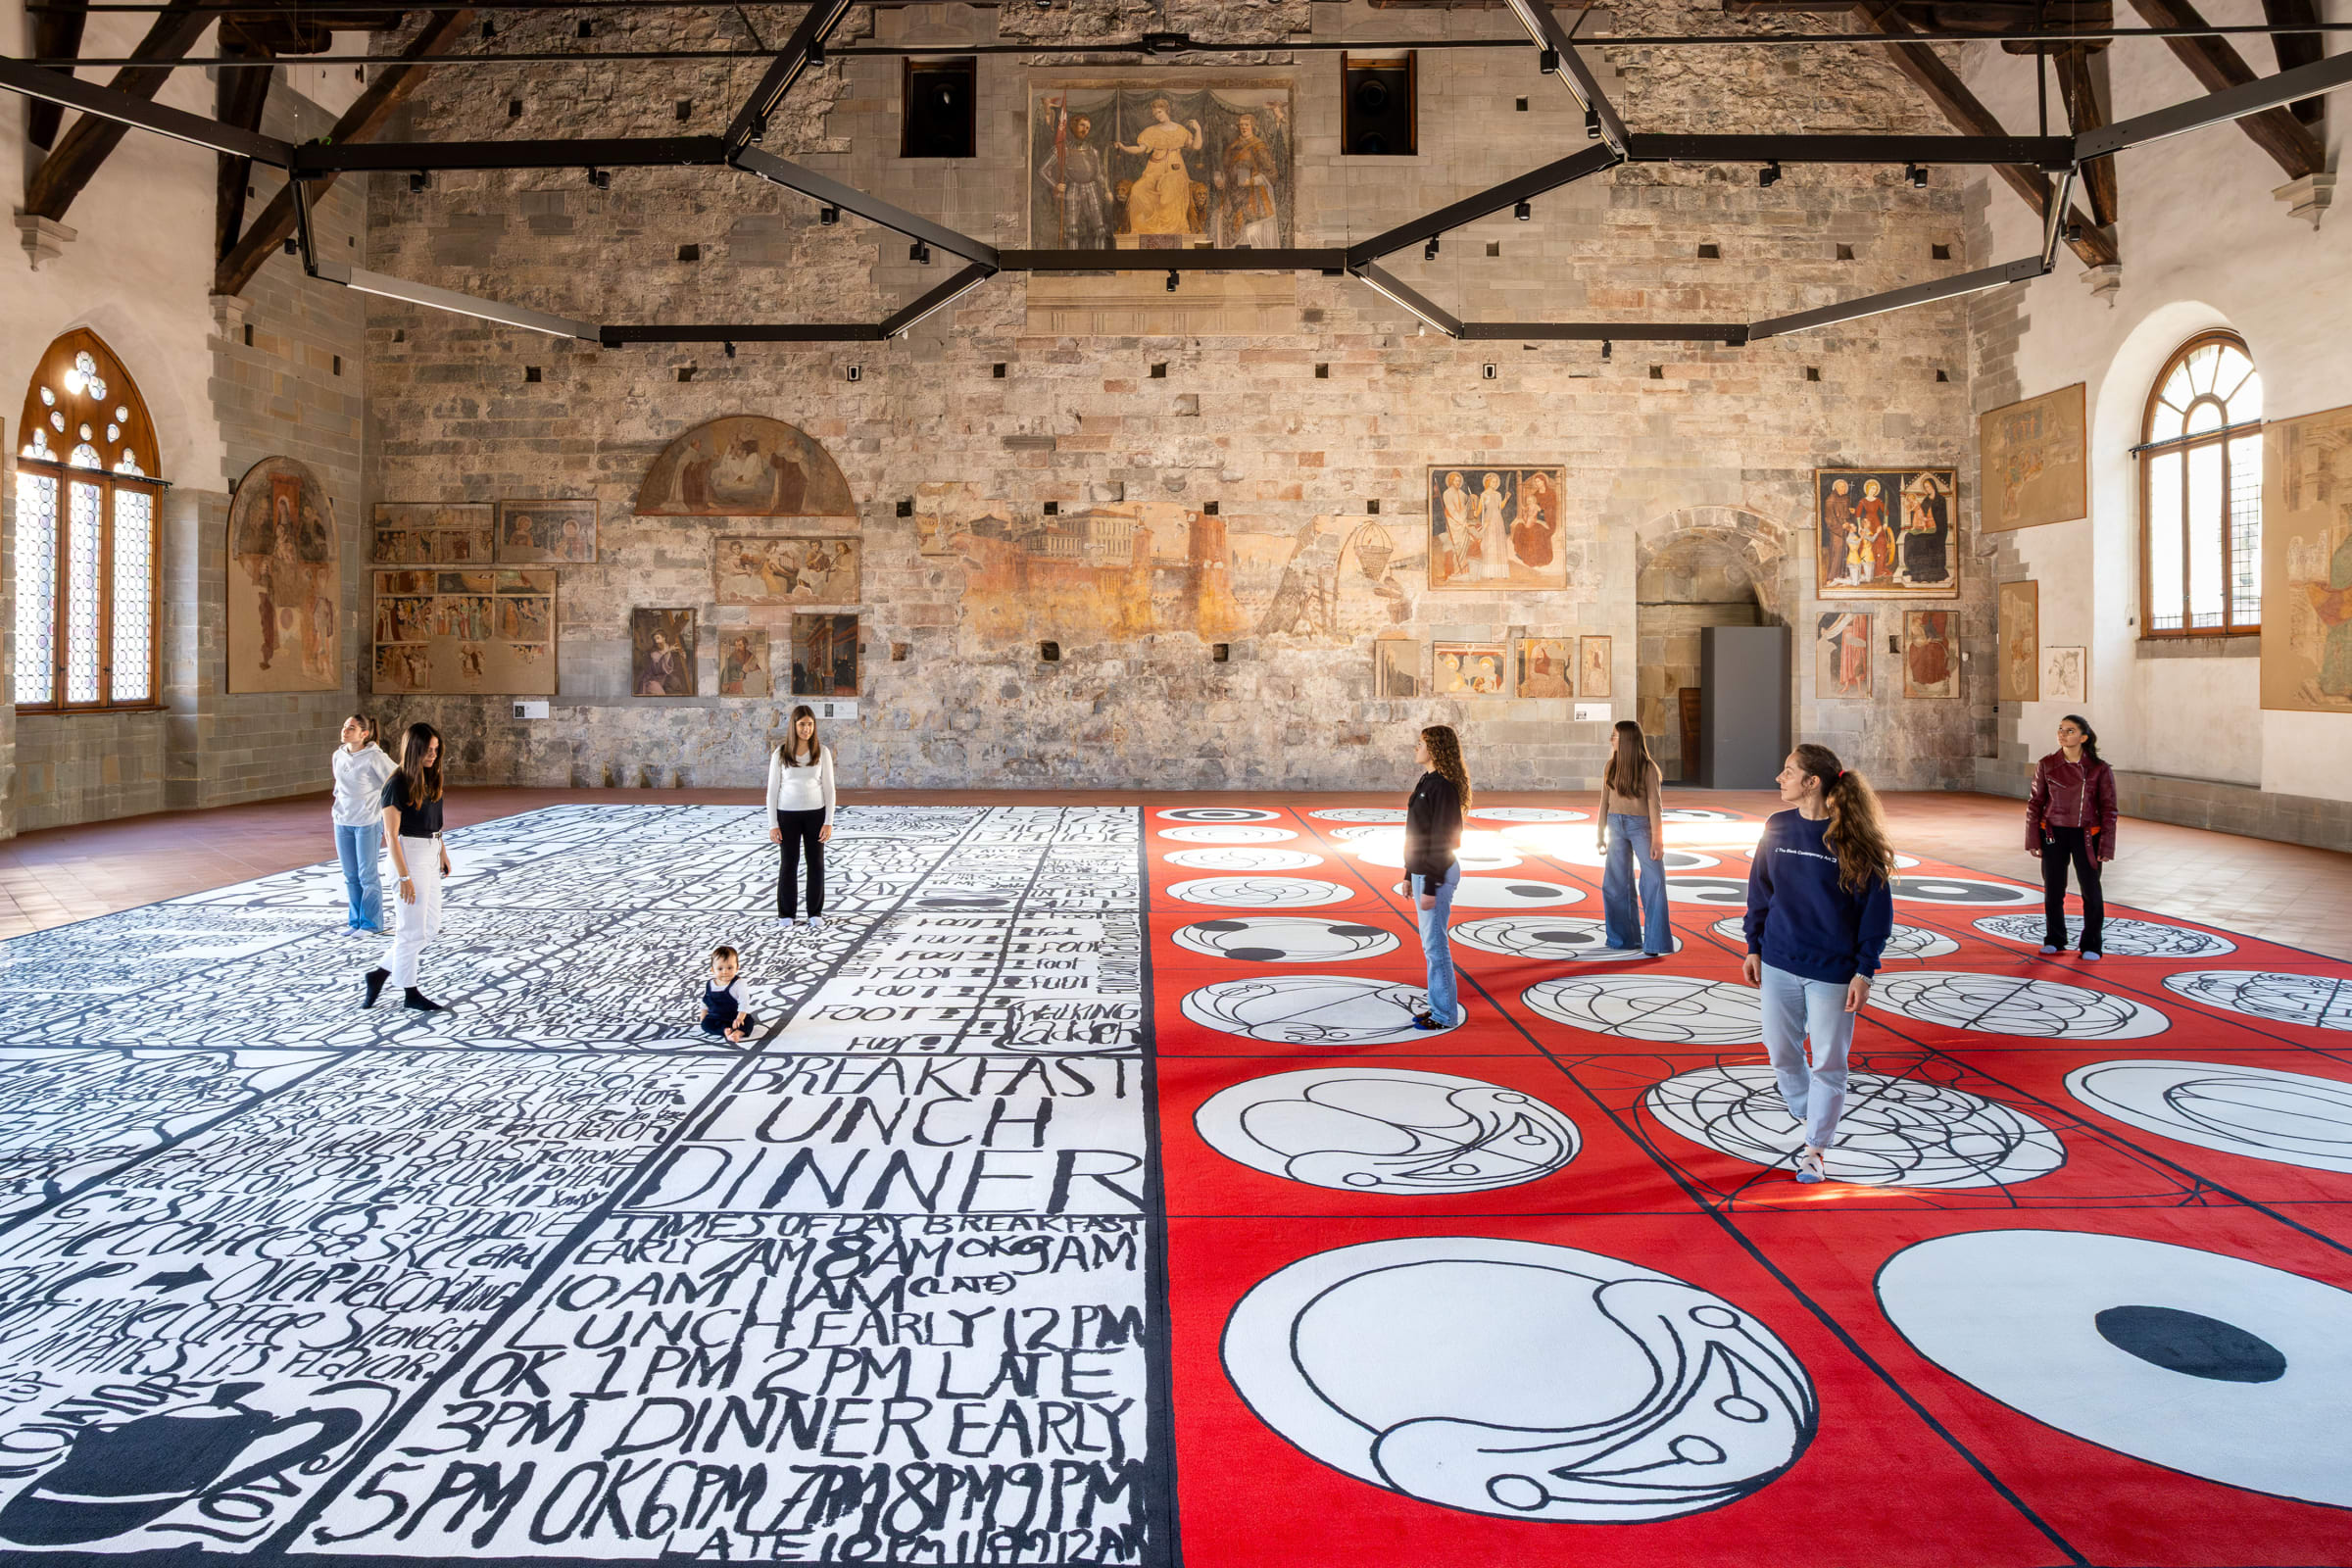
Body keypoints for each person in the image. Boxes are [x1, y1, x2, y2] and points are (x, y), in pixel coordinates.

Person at [1741, 744, 1895, 1184]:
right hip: (1778, 960)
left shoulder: (1854, 837)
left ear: (1812, 783)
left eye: (1788, 771)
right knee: (1781, 1052)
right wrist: (1753, 945)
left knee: (1829, 1063)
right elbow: (1761, 891)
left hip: (1833, 970)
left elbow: (1876, 912)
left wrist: (1865, 969)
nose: (1779, 778)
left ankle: (1815, 1149)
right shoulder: (1777, 826)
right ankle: (1813, 1113)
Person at [363, 721, 453, 1013]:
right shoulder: (396, 783)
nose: (433, 756)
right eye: (428, 750)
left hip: (430, 850)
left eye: (436, 750)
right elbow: (390, 835)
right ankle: (409, 991)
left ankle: (379, 974)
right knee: (410, 929)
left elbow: (435, 821)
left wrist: (442, 851)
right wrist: (403, 875)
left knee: (429, 927)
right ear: (413, 749)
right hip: (408, 856)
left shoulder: (430, 777)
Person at [2026, 713, 2118, 959]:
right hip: (2054, 833)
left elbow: (2109, 809)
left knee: (2091, 890)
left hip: (2088, 835)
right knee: (2053, 889)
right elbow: (2035, 803)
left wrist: (2107, 845)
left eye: (2070, 730)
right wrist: (2034, 838)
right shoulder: (2046, 764)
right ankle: (2055, 939)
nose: (2062, 734)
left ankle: (2091, 944)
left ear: (2084, 737)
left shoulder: (2099, 769)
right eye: (2060, 729)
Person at [1405, 724, 1469, 1031]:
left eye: (1420, 743)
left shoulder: (1442, 786)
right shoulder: (1427, 780)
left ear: (1434, 749)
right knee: (1430, 945)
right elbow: (1418, 834)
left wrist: (1429, 884)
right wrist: (1408, 873)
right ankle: (1437, 1006)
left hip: (1437, 873)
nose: (1415, 748)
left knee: (1435, 946)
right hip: (1424, 871)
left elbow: (1444, 840)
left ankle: (1445, 1014)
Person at [1595, 720, 1671, 956]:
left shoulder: (1648, 768)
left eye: (1615, 736)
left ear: (1627, 741)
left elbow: (1654, 805)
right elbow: (1604, 803)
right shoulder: (1611, 766)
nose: (1611, 739)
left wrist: (1658, 840)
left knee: (1654, 882)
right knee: (1615, 883)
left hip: (1642, 828)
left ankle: (1655, 942)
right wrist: (1600, 834)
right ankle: (1622, 939)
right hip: (1616, 826)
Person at [766, 705, 836, 930]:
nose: (806, 729)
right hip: (787, 815)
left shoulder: (822, 752)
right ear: (794, 726)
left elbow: (830, 789)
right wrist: (773, 824)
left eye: (809, 724)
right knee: (789, 864)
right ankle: (786, 913)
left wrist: (829, 821)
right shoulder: (781, 752)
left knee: (815, 863)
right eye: (801, 724)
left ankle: (815, 912)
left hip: (815, 815)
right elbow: (772, 790)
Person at [331, 713, 397, 934]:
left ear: (364, 734)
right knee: (350, 875)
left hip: (367, 821)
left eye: (351, 728)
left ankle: (372, 923)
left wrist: (384, 807)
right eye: (344, 726)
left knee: (366, 875)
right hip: (342, 821)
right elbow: (339, 787)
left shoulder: (374, 757)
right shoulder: (338, 756)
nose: (345, 731)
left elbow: (395, 778)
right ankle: (355, 922)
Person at [700, 945, 758, 1043]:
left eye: (730, 968)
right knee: (706, 1025)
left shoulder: (739, 983)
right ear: (713, 970)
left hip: (736, 1016)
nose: (725, 972)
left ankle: (737, 1033)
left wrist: (739, 1018)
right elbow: (705, 1001)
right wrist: (703, 1016)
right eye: (720, 969)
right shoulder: (710, 984)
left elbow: (744, 1002)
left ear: (737, 968)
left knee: (748, 1022)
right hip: (717, 1017)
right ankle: (725, 1030)